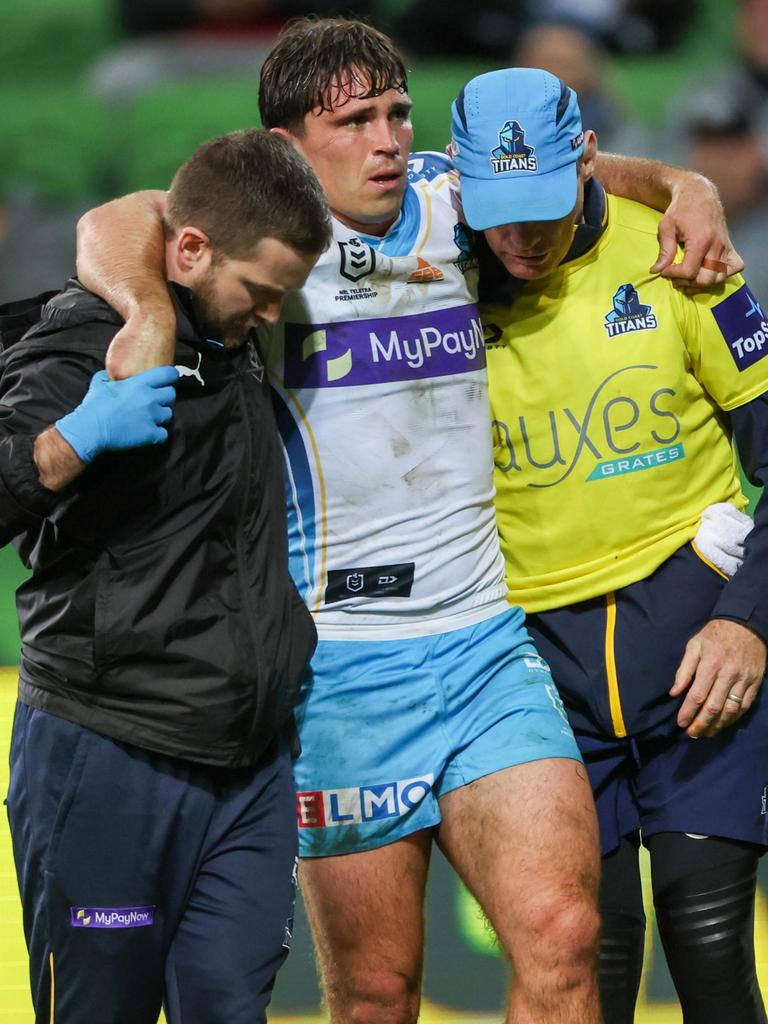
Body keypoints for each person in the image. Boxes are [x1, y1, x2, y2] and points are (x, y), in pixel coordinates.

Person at [75, 18, 743, 1023]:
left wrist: (685, 186)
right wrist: (147, 309)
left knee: (567, 936)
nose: (389, 137)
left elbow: (578, 170)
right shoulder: (268, 242)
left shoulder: (449, 197)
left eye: (397, 111)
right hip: (345, 668)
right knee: (379, 990)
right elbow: (116, 219)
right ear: (290, 149)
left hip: (485, 645)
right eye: (356, 121)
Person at [451, 67, 768, 1024]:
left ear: (588, 157)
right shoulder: (435, 272)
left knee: (710, 951)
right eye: (497, 214)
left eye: (543, 205)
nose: (522, 237)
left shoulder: (685, 253)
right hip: (537, 684)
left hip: (701, 669)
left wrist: (750, 624)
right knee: (583, 960)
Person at [2, 128, 330, 1024]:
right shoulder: (84, 343)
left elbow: (144, 208)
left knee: (229, 1007)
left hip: (249, 771)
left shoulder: (216, 311)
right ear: (191, 252)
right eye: (259, 293)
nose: (271, 317)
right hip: (110, 764)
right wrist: (72, 440)